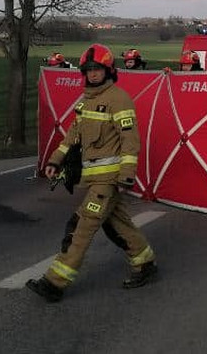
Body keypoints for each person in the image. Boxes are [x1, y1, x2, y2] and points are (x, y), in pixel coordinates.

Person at [26, 44, 157, 303]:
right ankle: (145, 263)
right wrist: (55, 160)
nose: (93, 74)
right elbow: (72, 136)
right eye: (89, 70)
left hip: (108, 180)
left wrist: (126, 175)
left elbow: (131, 141)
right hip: (94, 178)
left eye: (97, 70)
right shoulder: (86, 101)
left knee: (81, 227)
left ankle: (55, 283)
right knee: (117, 222)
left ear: (108, 70)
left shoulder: (118, 100)